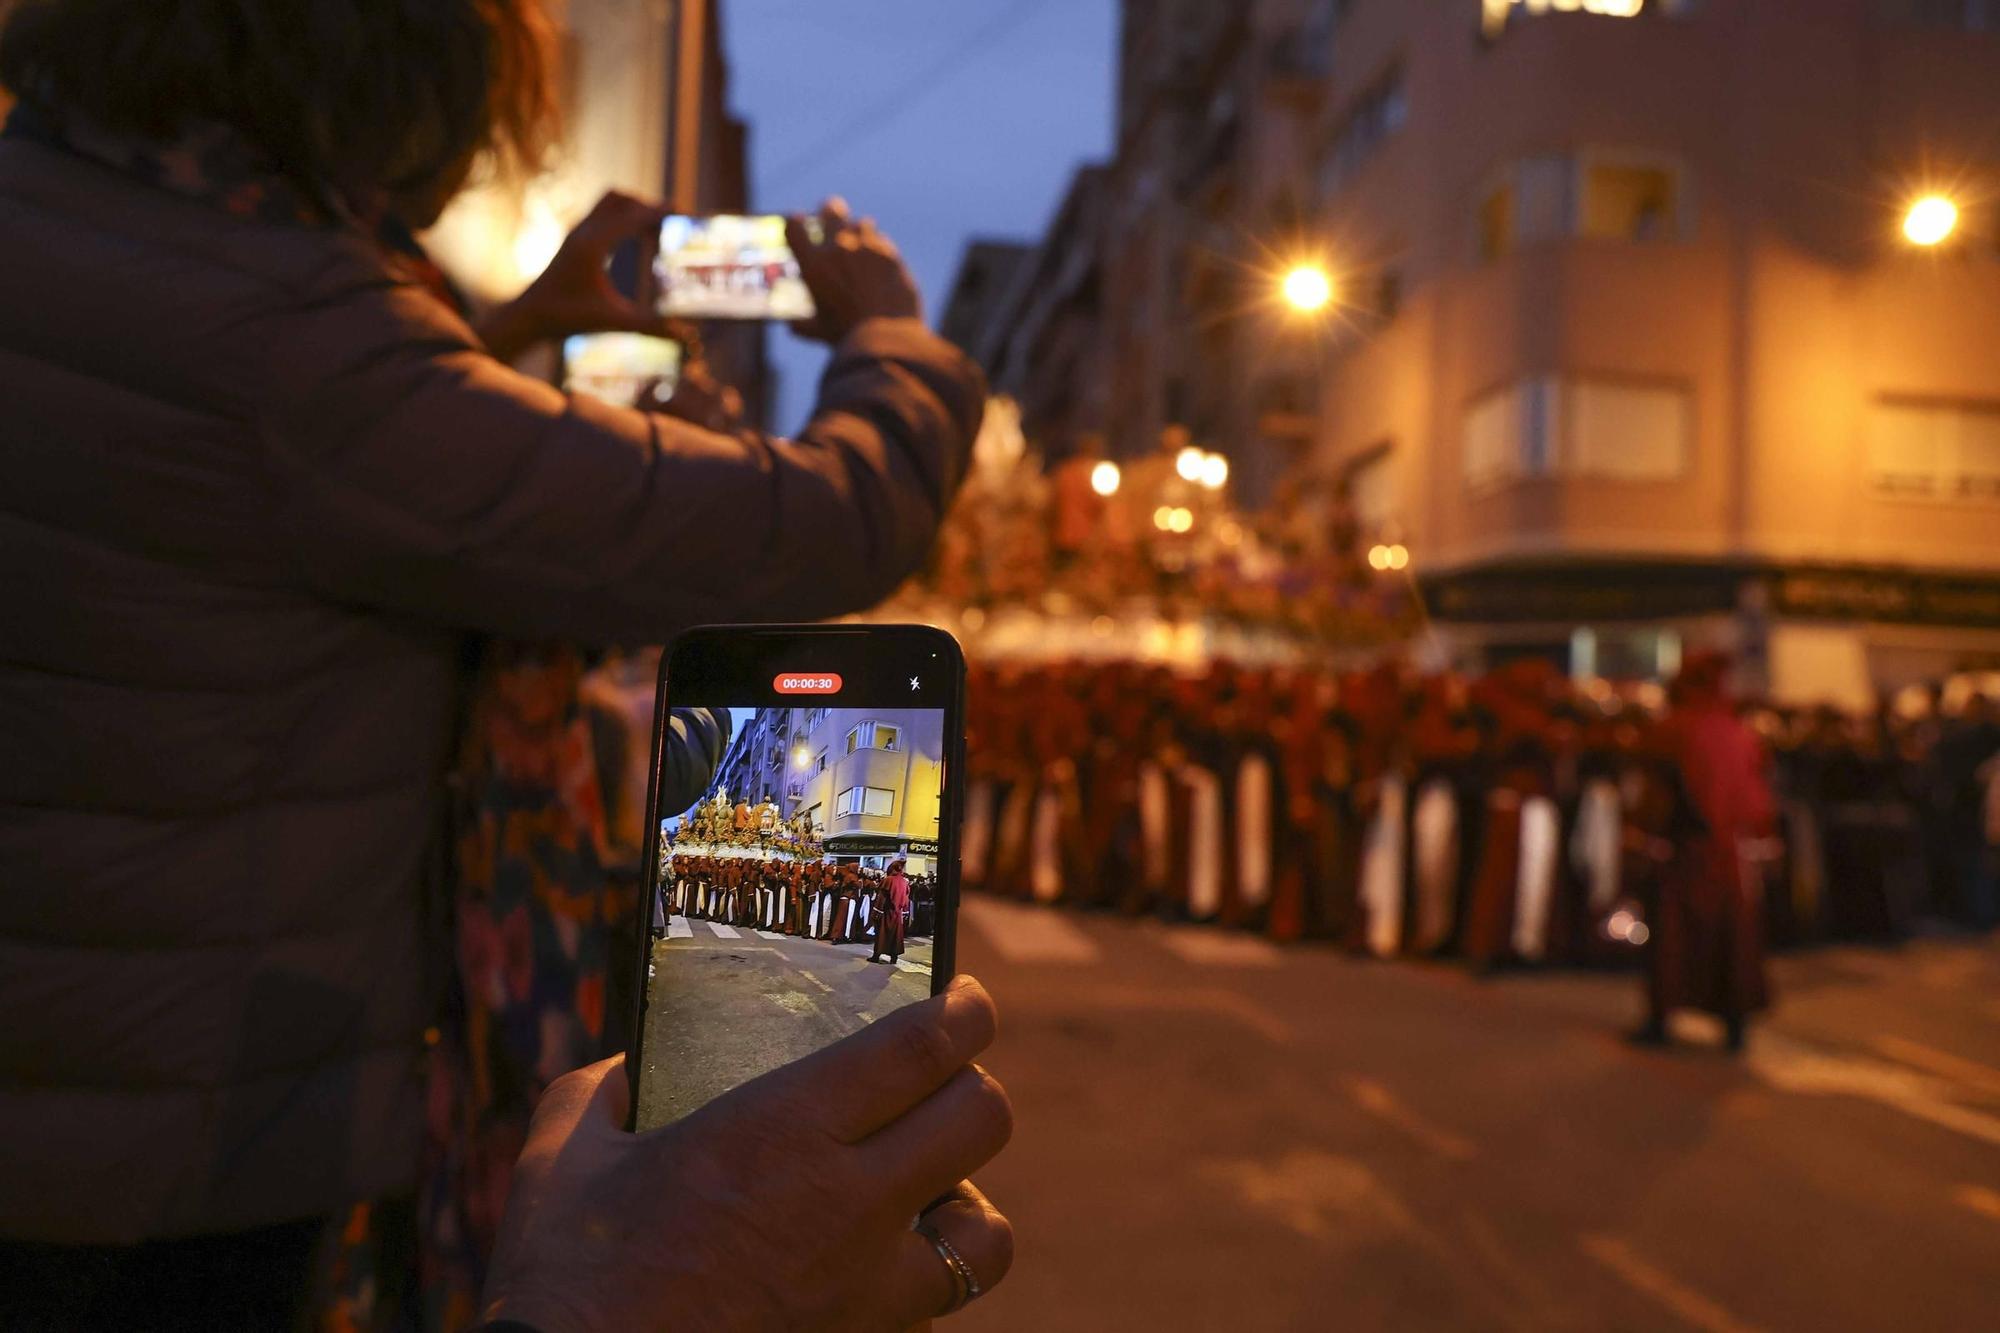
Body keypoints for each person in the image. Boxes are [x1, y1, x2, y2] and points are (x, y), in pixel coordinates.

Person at [0, 0, 991, 1322]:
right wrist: (891, 336)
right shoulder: (298, 340)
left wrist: (513, 328)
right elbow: (811, 524)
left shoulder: (68, 217)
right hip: (153, 1141)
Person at [1631, 654, 1777, 1053]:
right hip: (1730, 851)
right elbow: (1755, 798)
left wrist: (1644, 837)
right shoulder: (1739, 733)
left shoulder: (1673, 730)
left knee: (1672, 935)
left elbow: (1656, 796)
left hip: (1685, 850)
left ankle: (1661, 1017)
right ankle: (1734, 1021)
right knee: (1731, 936)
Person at [871, 859, 913, 964]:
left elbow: (882, 898)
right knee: (896, 935)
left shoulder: (888, 880)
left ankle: (876, 956)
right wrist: (905, 912)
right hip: (898, 913)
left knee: (882, 934)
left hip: (886, 912)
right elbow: (906, 899)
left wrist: (876, 912)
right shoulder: (904, 881)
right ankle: (894, 957)